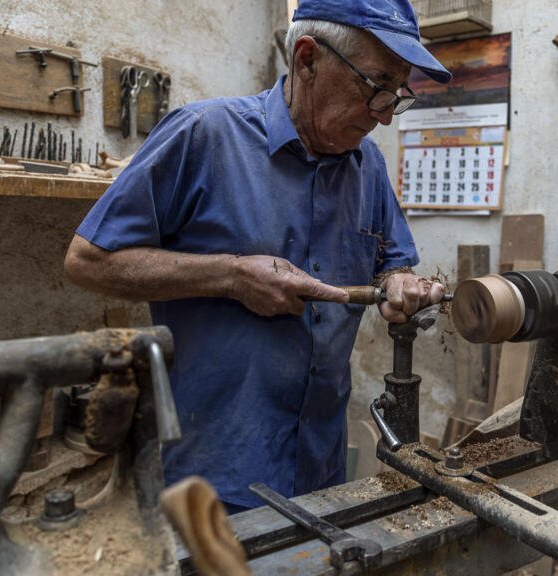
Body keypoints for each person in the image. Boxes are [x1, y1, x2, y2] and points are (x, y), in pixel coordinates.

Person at [64, 0, 451, 513]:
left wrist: (402, 282)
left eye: (396, 95)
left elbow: (393, 261)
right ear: (308, 59)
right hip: (214, 471)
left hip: (320, 469)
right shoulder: (203, 134)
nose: (383, 115)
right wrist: (230, 276)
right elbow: (88, 259)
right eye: (376, 86)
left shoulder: (368, 166)